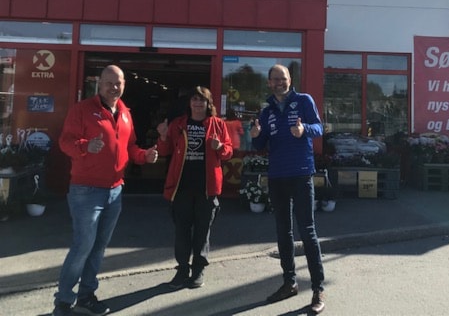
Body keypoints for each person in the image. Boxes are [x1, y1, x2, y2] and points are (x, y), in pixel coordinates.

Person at [53, 65, 159, 316]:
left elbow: (130, 147)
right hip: (86, 190)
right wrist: (85, 146)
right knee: (83, 245)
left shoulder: (125, 113)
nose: (114, 87)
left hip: (115, 190)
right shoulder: (82, 110)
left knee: (99, 247)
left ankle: (86, 296)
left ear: (124, 85)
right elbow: (65, 142)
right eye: (109, 83)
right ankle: (64, 301)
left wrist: (145, 156)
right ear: (99, 84)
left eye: (118, 83)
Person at [250, 64, 326, 314]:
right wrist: (255, 135)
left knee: (307, 231)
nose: (279, 82)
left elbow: (319, 128)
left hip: (301, 174)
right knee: (283, 232)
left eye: (282, 78)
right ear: (269, 83)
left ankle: (317, 288)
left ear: (290, 80)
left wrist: (304, 130)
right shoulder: (266, 111)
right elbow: (260, 145)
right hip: (277, 177)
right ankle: (289, 283)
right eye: (274, 79)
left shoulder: (304, 101)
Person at [156, 86, 233, 290]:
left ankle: (198, 270)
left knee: (202, 231)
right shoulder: (178, 124)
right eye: (194, 99)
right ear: (189, 103)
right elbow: (164, 151)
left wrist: (220, 147)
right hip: (181, 186)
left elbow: (228, 152)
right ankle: (182, 269)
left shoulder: (217, 124)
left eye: (202, 100)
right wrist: (162, 137)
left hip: (206, 188)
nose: (198, 103)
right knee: (182, 230)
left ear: (208, 104)